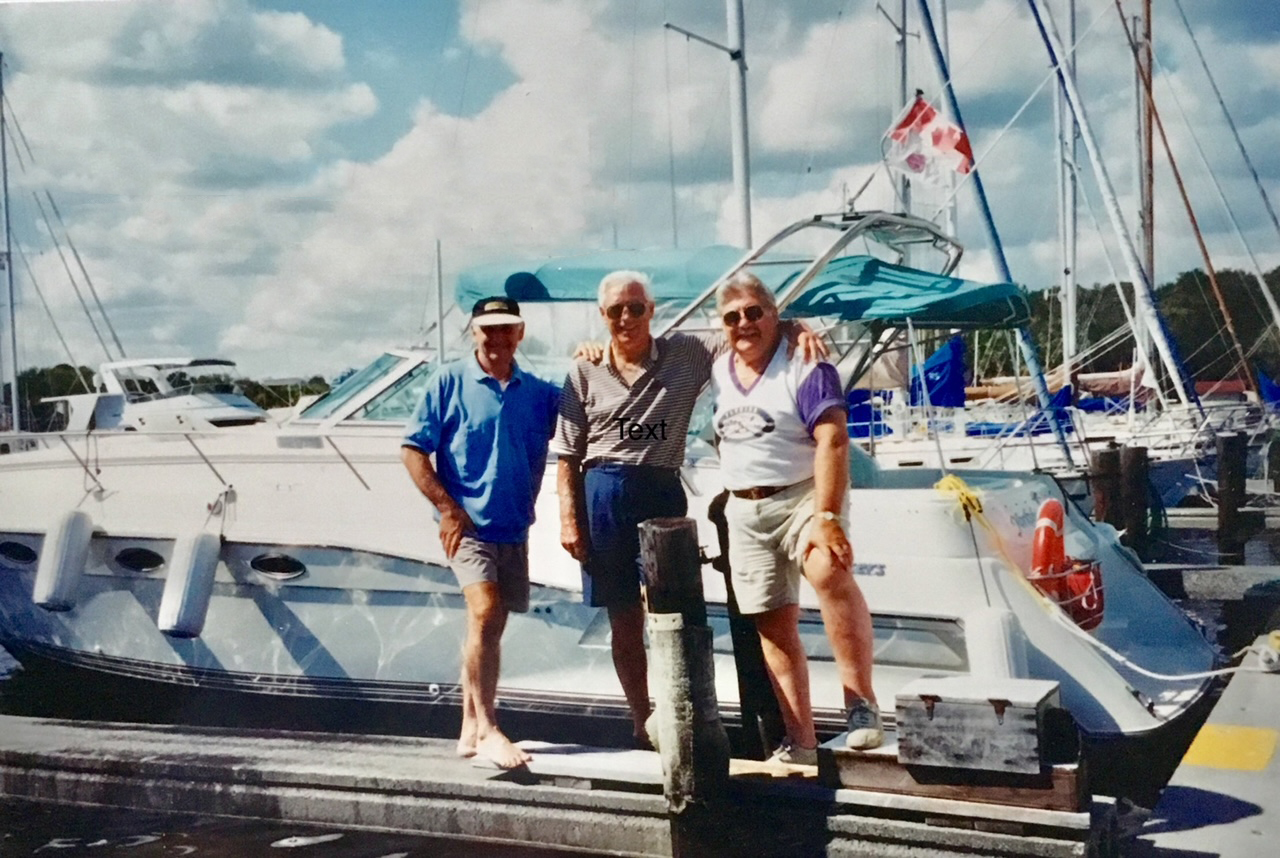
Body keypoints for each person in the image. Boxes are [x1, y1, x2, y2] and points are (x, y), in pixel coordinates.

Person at [710, 270, 881, 766]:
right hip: (744, 507)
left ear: (774, 314)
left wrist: (827, 514)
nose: (744, 323)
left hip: (803, 496)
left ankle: (861, 706)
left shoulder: (805, 363)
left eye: (755, 312)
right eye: (732, 317)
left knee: (827, 569)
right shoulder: (719, 366)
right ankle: (801, 741)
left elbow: (832, 439)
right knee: (772, 622)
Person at [552, 270, 721, 747]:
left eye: (636, 307)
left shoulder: (686, 354)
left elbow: (746, 333)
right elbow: (567, 456)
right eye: (614, 311)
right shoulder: (583, 370)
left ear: (653, 310)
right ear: (602, 316)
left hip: (661, 489)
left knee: (675, 613)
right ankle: (640, 719)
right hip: (603, 491)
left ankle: (683, 712)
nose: (626, 318)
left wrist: (795, 328)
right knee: (623, 617)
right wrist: (570, 521)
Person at [402, 296, 560, 769]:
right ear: (473, 333)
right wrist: (448, 509)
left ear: (520, 333)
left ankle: (468, 726)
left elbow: (589, 405)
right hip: (467, 526)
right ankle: (490, 727)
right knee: (486, 611)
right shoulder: (448, 380)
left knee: (484, 626)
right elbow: (413, 451)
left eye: (505, 328)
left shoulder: (539, 393)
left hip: (513, 526)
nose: (496, 338)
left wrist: (594, 356)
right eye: (487, 329)